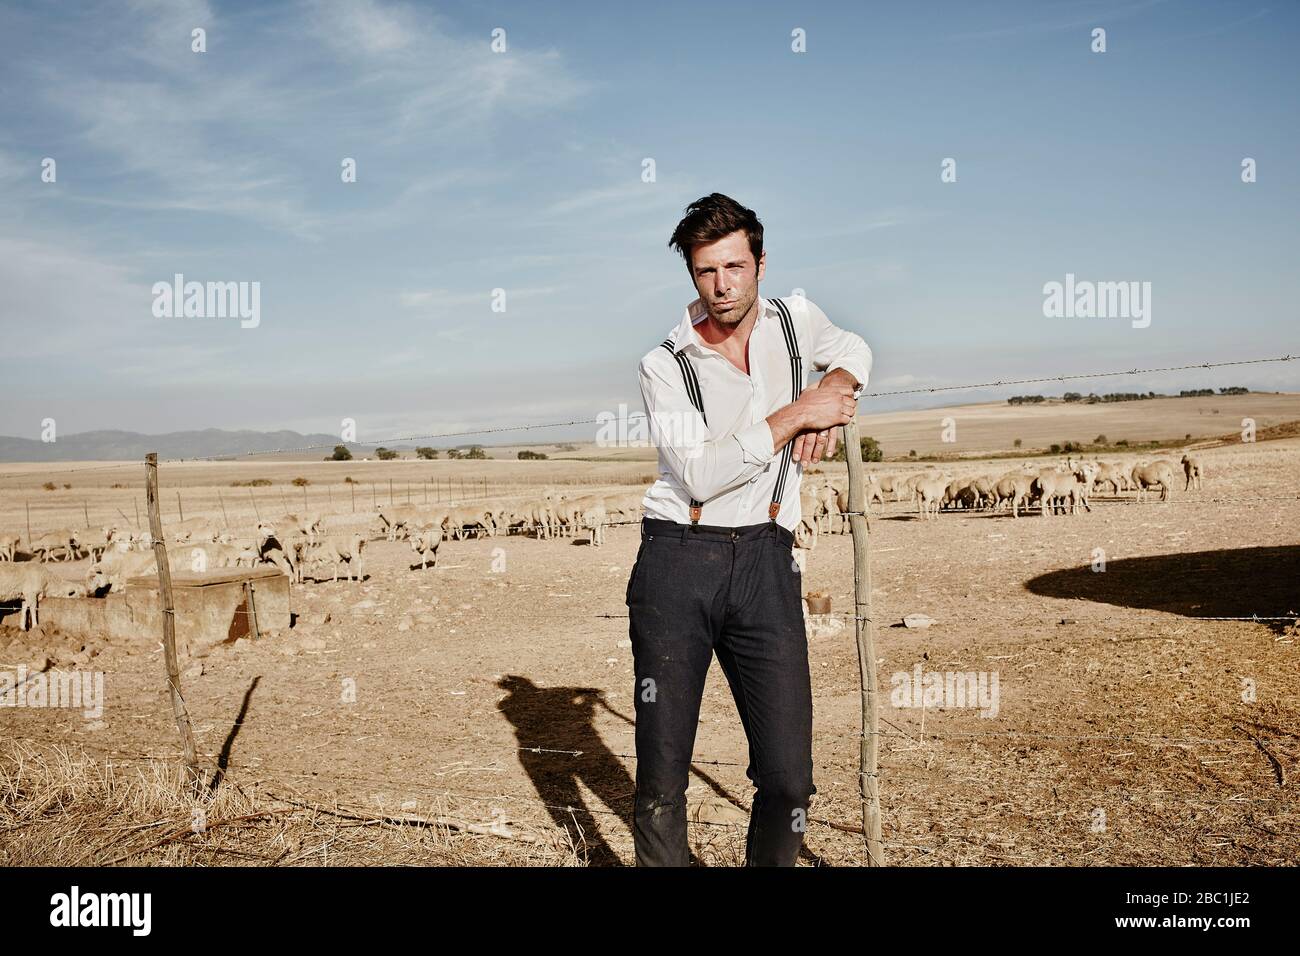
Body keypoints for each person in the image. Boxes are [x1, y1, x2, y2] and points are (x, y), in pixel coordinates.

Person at [627, 192, 873, 866]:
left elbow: (853, 348)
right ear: (692, 276)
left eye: (735, 266)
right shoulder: (663, 365)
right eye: (706, 271)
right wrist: (800, 413)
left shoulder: (796, 322)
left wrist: (838, 391)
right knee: (662, 777)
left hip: (768, 560)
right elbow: (702, 474)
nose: (722, 285)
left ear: (761, 262)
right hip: (678, 563)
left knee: (790, 776)